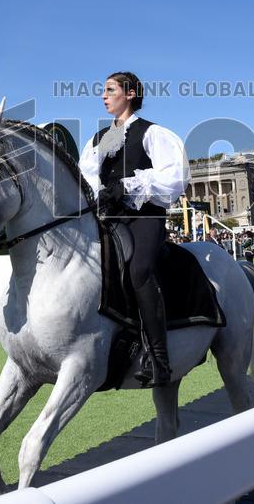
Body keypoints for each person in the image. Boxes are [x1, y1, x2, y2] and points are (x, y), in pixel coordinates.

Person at [78, 71, 190, 387]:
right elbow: (85, 175)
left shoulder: (153, 134)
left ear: (129, 94)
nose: (103, 96)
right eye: (103, 91)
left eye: (110, 90)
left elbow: (175, 176)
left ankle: (159, 360)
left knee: (140, 270)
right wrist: (98, 191)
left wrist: (127, 186)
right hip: (107, 217)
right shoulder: (97, 139)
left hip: (145, 218)